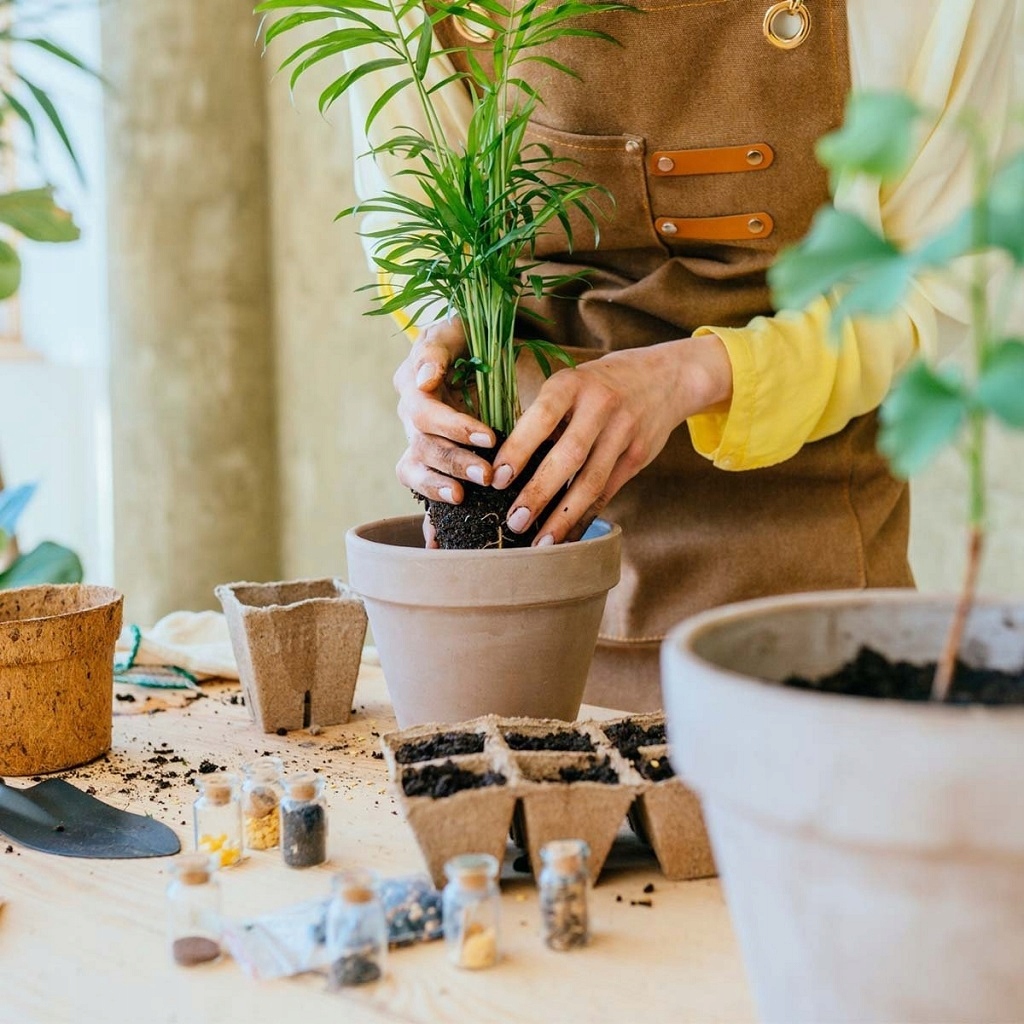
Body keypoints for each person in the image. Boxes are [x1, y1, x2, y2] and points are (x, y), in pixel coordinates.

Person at [347, 0, 1018, 710]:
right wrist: (445, 348)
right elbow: (415, 215)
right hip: (527, 623)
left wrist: (690, 375)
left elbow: (929, 284)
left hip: (805, 612)